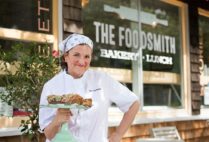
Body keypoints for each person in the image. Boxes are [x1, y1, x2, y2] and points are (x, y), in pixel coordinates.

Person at [39, 33, 140, 142]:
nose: (82, 61)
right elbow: (49, 135)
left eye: (87, 56)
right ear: (65, 56)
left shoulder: (102, 80)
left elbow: (133, 103)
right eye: (76, 55)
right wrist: (57, 121)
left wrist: (117, 135)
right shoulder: (51, 86)